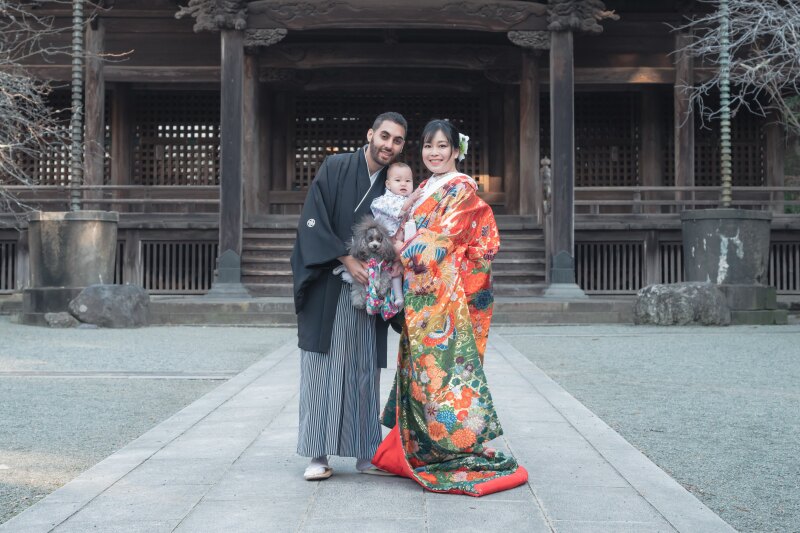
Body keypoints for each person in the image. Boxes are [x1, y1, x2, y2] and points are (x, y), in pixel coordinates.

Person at [372, 119, 528, 496]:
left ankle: (452, 445)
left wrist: (399, 252)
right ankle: (420, 447)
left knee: (442, 376)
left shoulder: (461, 188)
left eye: (442, 146)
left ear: (456, 150)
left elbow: (441, 239)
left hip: (443, 297)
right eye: (428, 146)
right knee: (418, 372)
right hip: (420, 296)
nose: (434, 153)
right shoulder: (425, 186)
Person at [290, 112, 407, 480]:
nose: (388, 145)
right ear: (370, 134)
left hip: (369, 289)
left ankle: (364, 452)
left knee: (362, 369)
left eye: (398, 140)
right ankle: (318, 455)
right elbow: (314, 216)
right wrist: (344, 255)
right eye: (384, 136)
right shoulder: (336, 166)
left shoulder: (392, 184)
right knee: (322, 369)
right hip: (330, 281)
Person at [369, 161, 422, 308]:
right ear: (388, 184)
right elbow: (400, 211)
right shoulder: (384, 200)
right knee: (380, 271)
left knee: (397, 271)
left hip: (402, 243)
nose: (403, 184)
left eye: (408, 181)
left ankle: (399, 297)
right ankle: (374, 297)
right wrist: (411, 200)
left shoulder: (411, 201)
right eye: (398, 180)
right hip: (386, 242)